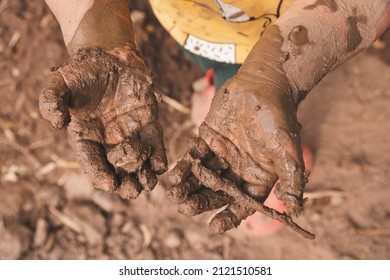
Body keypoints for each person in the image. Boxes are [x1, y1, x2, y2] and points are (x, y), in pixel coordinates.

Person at [41, 0, 390, 235]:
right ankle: (220, 85)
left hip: (297, 34)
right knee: (229, 80)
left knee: (258, 100)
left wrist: (280, 74)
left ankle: (258, 101)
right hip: (191, 22)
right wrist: (100, 37)